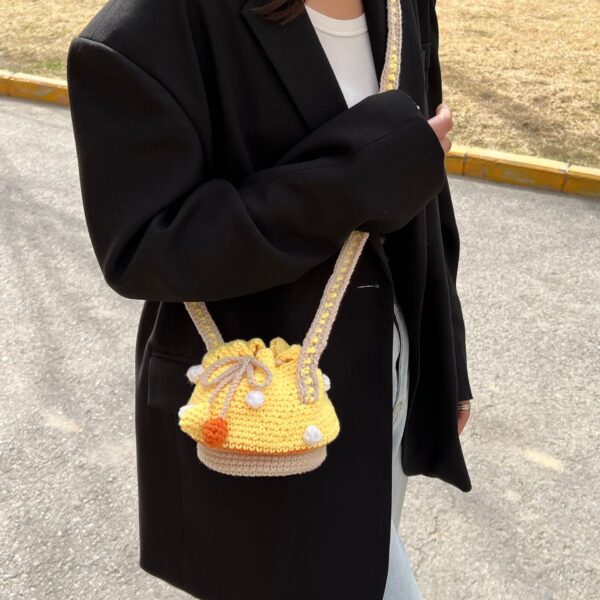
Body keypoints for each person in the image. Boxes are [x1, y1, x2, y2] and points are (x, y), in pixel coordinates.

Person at [67, 0, 473, 598]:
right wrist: (354, 179)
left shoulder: (403, 5)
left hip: (388, 371)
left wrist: (446, 355)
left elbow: (419, 188)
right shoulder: (147, 30)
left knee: (365, 552)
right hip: (259, 407)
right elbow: (145, 246)